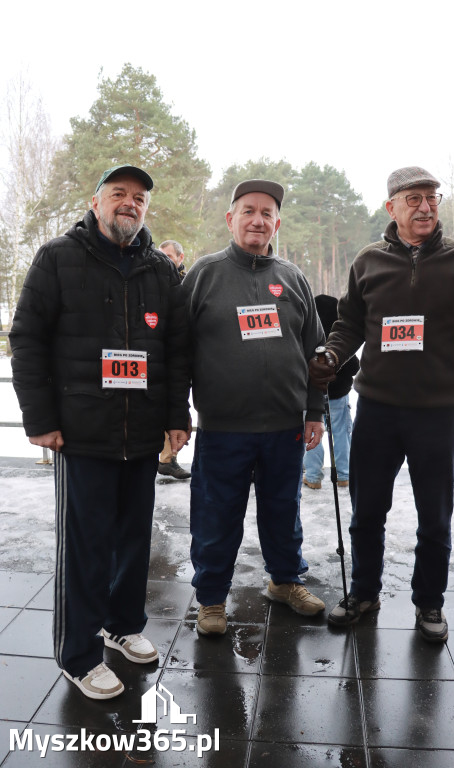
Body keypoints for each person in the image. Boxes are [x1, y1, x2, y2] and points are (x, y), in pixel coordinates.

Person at [9, 164, 190, 698]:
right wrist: (40, 420)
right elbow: (27, 339)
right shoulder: (59, 258)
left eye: (139, 198)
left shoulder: (161, 270)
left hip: (141, 434)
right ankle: (79, 652)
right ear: (96, 202)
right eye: (119, 194)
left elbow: (177, 353)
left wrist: (177, 416)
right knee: (86, 546)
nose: (129, 204)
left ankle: (121, 624)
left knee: (134, 539)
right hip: (82, 432)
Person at [309, 166, 454, 643]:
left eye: (432, 198)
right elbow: (349, 324)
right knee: (365, 512)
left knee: (434, 517)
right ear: (392, 207)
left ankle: (429, 602)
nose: (425, 206)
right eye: (414, 198)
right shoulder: (368, 262)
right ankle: (363, 592)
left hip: (439, 412)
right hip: (378, 409)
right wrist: (333, 354)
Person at [183, 179, 326, 635]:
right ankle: (211, 600)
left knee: (283, 512)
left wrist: (315, 411)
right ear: (231, 218)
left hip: (285, 427)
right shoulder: (204, 275)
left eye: (266, 213)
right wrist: (174, 412)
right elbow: (176, 349)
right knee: (216, 517)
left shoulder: (293, 277)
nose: (257, 220)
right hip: (223, 428)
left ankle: (284, 581)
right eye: (248, 211)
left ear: (276, 224)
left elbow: (315, 351)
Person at [303, 294, 359, 490]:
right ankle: (344, 474)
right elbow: (354, 367)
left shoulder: (309, 339)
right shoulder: (340, 341)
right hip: (338, 396)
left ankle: (313, 476)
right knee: (342, 433)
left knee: (312, 434)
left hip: (311, 397)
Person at [157, 238, 191, 479]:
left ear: (180, 258)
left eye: (168, 257)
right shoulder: (154, 281)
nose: (164, 262)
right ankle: (166, 458)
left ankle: (170, 456)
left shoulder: (188, 283)